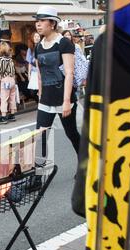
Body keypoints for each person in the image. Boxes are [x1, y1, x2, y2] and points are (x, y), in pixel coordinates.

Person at [33, 6, 79, 166]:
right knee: (40, 137)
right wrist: (40, 95)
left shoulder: (64, 43)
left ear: (52, 24)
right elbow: (40, 74)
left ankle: (85, 166)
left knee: (72, 133)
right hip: (46, 99)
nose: (38, 24)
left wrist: (67, 101)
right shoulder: (38, 46)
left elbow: (69, 73)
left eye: (42, 21)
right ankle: (37, 177)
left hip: (63, 96)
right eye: (37, 21)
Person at [0, 41, 17, 124]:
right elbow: (13, 70)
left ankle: (3, 116)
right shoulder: (10, 59)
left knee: (4, 98)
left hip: (5, 80)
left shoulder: (0, 59)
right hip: (12, 80)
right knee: (12, 97)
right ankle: (12, 114)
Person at [26, 32, 41, 102]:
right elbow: (30, 62)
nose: (37, 38)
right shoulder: (30, 49)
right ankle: (39, 102)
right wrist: (29, 74)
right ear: (32, 38)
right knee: (33, 91)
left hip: (41, 71)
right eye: (35, 36)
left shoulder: (42, 47)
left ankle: (41, 103)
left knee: (41, 88)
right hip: (34, 72)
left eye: (38, 36)